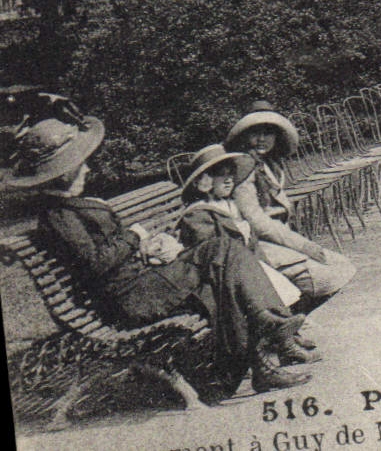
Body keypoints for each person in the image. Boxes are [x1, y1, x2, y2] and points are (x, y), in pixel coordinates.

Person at [7, 115, 314, 393]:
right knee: (222, 249)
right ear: (64, 173)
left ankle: (264, 364)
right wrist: (134, 236)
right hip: (129, 299)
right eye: (81, 163)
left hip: (143, 283)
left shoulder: (69, 206)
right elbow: (96, 264)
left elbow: (103, 253)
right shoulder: (59, 216)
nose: (87, 167)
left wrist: (147, 246)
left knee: (224, 272)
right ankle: (271, 331)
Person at [224, 103, 357, 301]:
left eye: (268, 133)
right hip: (256, 244)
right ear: (244, 136)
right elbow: (256, 221)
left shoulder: (271, 164)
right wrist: (303, 246)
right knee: (327, 278)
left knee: (344, 265)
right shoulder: (243, 167)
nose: (261, 139)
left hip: (279, 238)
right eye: (255, 133)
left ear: (277, 137)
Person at [175, 145, 311, 326]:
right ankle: (281, 330)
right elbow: (210, 252)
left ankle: (285, 329)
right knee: (260, 289)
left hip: (248, 267)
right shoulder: (198, 214)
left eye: (231, 174)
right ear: (204, 181)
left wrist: (263, 265)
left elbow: (251, 242)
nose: (228, 180)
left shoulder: (231, 206)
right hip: (222, 276)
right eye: (221, 175)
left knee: (273, 283)